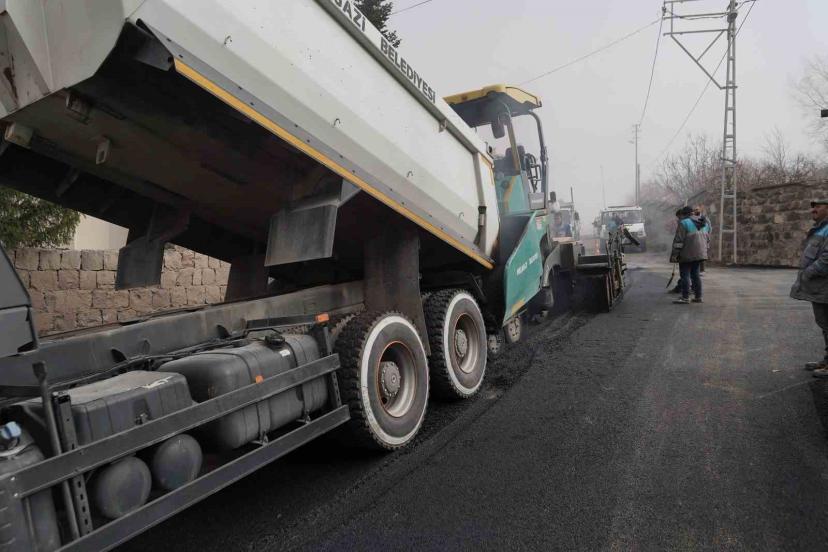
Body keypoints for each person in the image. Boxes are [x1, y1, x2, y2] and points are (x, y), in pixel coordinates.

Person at [790, 199, 828, 378]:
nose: (813, 209)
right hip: (820, 288)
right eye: (813, 207)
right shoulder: (820, 228)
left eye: (818, 206)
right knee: (824, 324)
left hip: (824, 286)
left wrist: (809, 272)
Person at [670, 206, 708, 304]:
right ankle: (698, 297)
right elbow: (707, 239)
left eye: (681, 216)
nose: (680, 218)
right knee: (695, 275)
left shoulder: (684, 223)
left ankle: (685, 297)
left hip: (687, 254)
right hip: (700, 254)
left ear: (684, 214)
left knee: (685, 275)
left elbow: (678, 241)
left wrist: (675, 255)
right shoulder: (703, 222)